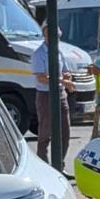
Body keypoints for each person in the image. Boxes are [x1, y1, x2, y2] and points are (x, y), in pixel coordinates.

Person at [30, 22, 76, 169]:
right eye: (53, 35)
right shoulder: (38, 53)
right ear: (45, 35)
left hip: (61, 94)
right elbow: (41, 77)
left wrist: (67, 76)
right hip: (45, 95)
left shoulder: (59, 52)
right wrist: (63, 80)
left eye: (58, 35)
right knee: (45, 133)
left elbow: (65, 71)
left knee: (65, 131)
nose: (56, 38)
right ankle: (43, 166)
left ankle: (59, 166)